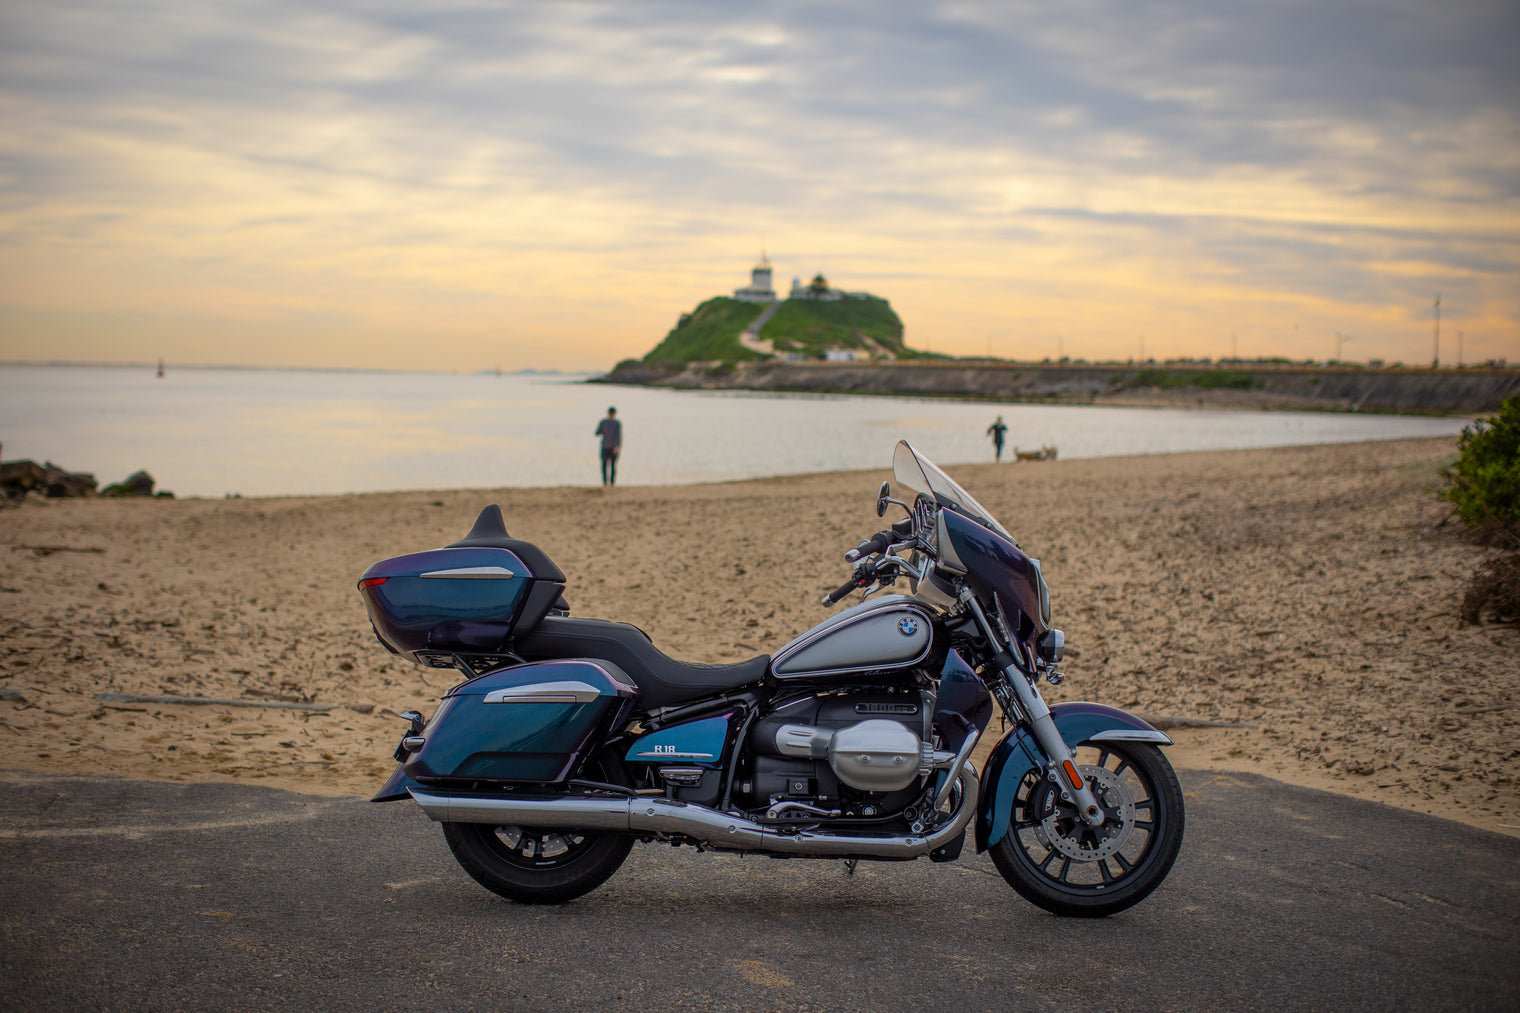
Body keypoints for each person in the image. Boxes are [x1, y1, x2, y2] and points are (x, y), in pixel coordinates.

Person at [594, 406, 622, 486]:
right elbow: (618, 437)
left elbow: (597, 433)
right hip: (612, 447)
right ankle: (612, 483)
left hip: (605, 447)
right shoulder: (616, 423)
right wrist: (617, 446)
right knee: (613, 466)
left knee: (605, 466)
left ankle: (605, 483)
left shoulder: (603, 422)